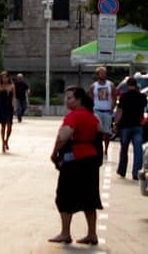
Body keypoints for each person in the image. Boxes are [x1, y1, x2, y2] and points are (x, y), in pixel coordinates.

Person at [48, 86, 102, 245]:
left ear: (79, 100)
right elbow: (101, 132)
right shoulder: (93, 117)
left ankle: (65, 233)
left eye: (70, 98)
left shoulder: (74, 116)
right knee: (90, 197)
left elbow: (63, 136)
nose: (67, 100)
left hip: (74, 160)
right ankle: (92, 234)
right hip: (91, 159)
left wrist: (54, 152)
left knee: (64, 196)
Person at [114, 76, 148, 181]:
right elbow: (144, 107)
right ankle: (136, 173)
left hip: (125, 126)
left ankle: (122, 170)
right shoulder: (142, 97)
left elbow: (119, 112)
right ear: (136, 85)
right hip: (138, 126)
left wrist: (116, 123)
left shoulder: (124, 97)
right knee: (138, 150)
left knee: (124, 149)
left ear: (128, 85)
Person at [89, 66, 117, 157]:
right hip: (97, 110)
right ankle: (98, 149)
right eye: (101, 73)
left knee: (107, 132)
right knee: (98, 131)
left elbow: (114, 97)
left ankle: (106, 149)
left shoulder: (110, 85)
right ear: (98, 75)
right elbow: (90, 98)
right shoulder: (94, 86)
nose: (103, 74)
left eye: (104, 73)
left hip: (107, 111)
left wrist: (112, 109)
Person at [0, 71, 17, 152]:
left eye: (5, 77)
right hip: (1, 107)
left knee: (10, 125)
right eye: (2, 77)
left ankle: (6, 140)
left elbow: (14, 97)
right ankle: (2, 142)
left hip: (9, 107)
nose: (4, 79)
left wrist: (14, 107)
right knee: (3, 126)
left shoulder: (12, 86)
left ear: (8, 77)